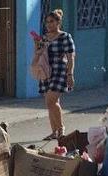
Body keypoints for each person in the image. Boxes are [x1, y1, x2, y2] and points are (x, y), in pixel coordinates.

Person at [36, 9, 76, 141]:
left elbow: (71, 57)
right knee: (50, 103)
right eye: (47, 22)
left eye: (52, 21)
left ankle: (61, 128)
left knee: (51, 100)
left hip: (60, 71)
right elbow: (39, 54)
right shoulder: (44, 38)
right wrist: (37, 46)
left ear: (58, 22)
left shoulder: (65, 37)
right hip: (46, 72)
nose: (49, 24)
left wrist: (70, 74)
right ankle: (54, 132)